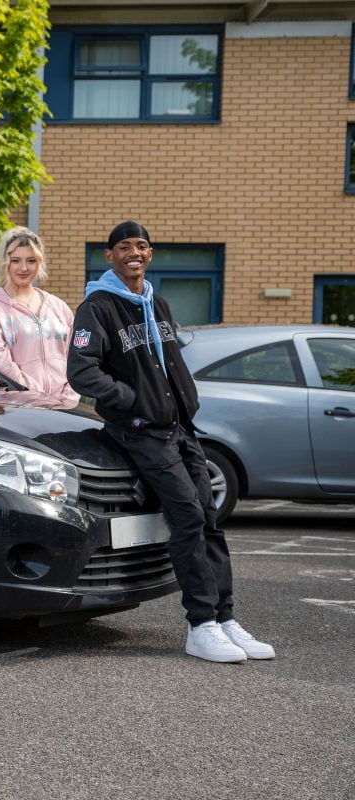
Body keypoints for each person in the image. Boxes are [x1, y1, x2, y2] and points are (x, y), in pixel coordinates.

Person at [67, 220, 275, 664]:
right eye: (124, 247)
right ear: (110, 257)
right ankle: (200, 625)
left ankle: (224, 617)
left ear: (150, 253)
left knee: (209, 517)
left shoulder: (155, 302)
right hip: (140, 430)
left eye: (141, 246)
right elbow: (82, 371)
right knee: (186, 518)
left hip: (178, 428)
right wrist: (130, 400)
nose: (133, 253)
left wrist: (186, 399)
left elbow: (170, 359)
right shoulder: (98, 307)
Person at [0, 227, 79, 405]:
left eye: (31, 260)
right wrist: (34, 397)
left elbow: (76, 356)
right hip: (20, 408)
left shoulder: (58, 306)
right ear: (5, 263)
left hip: (66, 407)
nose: (23, 268)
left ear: (39, 262)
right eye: (15, 260)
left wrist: (68, 397)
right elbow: (1, 364)